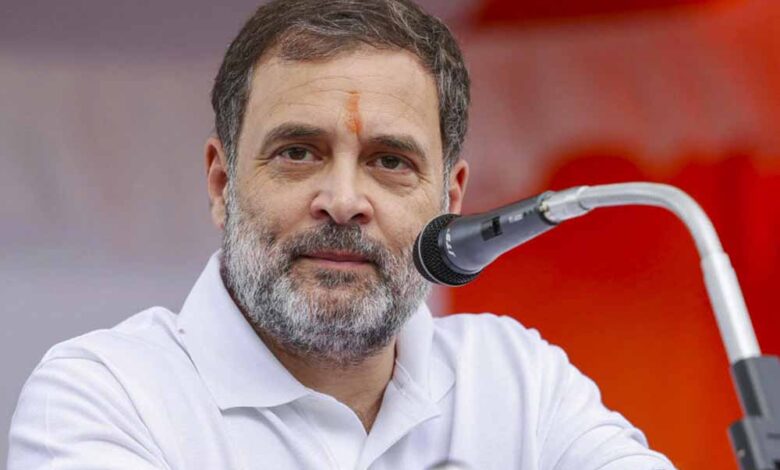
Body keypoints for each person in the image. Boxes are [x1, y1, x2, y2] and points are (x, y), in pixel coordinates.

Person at [8, 0, 675, 468]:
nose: (344, 201)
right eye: (298, 152)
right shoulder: (105, 396)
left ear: (450, 201)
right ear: (221, 184)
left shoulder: (517, 379)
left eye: (391, 161)